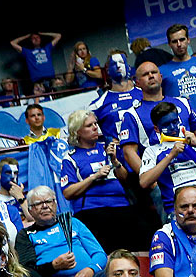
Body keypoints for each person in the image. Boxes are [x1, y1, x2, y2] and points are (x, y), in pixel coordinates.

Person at [59, 108, 142, 253]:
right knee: (105, 253)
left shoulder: (109, 149)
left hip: (121, 205)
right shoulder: (70, 158)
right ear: (77, 131)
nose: (95, 127)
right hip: (91, 210)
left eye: (95, 124)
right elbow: (67, 192)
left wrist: (115, 161)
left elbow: (126, 179)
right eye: (89, 125)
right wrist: (93, 177)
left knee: (135, 248)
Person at [14, 186, 108, 277]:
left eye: (49, 201)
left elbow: (99, 253)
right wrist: (53, 266)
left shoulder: (71, 222)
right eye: (38, 204)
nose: (45, 206)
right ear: (30, 210)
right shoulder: (26, 234)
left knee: (115, 276)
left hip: (90, 276)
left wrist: (91, 269)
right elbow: (27, 270)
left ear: (55, 204)